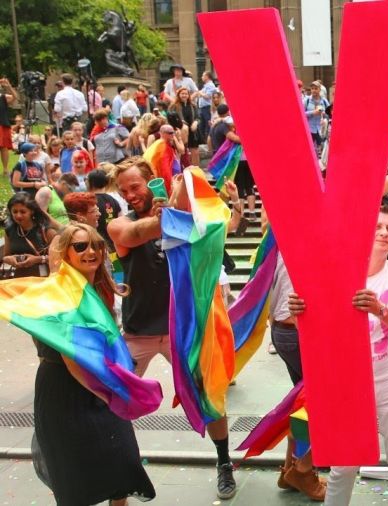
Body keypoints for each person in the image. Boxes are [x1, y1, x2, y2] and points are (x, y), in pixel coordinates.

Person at [107, 158, 237, 499]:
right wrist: (174, 206)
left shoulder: (181, 213)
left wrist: (185, 190)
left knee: (209, 397)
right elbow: (140, 233)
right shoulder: (119, 225)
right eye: (123, 191)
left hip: (185, 331)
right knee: (114, 401)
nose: (130, 195)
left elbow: (213, 222)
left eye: (135, 187)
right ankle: (120, 476)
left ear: (152, 181)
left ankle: (224, 463)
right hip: (139, 333)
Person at [289, 205, 388, 506]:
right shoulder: (335, 272)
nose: (385, 233)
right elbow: (313, 328)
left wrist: (381, 310)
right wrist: (299, 314)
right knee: (342, 466)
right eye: (377, 227)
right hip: (347, 384)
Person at [29, 223, 155, 506]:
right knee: (75, 478)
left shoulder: (99, 288)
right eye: (80, 246)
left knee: (122, 464)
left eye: (96, 245)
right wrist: (111, 394)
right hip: (66, 389)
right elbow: (73, 358)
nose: (91, 251)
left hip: (98, 382)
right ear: (66, 253)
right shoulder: (61, 292)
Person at [267, 250, 329, 501]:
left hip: (284, 331)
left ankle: (289, 470)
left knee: (304, 405)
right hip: (300, 333)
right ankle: (303, 470)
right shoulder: (309, 239)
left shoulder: (284, 238)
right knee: (323, 405)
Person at [2, 193, 54, 278]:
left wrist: (38, 259)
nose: (18, 215)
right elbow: (6, 256)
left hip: (44, 279)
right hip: (19, 279)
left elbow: (60, 257)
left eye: (23, 212)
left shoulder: (45, 230)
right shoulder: (9, 230)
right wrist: (9, 259)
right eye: (15, 212)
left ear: (32, 211)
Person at [304, 82, 330, 153]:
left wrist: (324, 113)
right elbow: (301, 114)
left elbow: (330, 113)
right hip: (309, 129)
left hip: (321, 129)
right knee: (308, 151)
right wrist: (313, 112)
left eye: (316, 88)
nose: (314, 90)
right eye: (312, 89)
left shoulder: (324, 101)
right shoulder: (307, 100)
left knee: (322, 152)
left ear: (320, 89)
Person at [0, 77, 18, 176]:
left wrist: (9, 86)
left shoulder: (3, 97)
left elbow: (15, 97)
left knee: (4, 148)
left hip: (2, 124)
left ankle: (6, 169)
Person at [198, 71, 217, 143]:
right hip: (203, 108)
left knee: (208, 124)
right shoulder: (206, 86)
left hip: (207, 107)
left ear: (207, 76)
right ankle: (204, 140)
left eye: (203, 75)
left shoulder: (210, 85)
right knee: (202, 125)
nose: (202, 77)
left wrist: (200, 93)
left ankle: (209, 140)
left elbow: (207, 96)